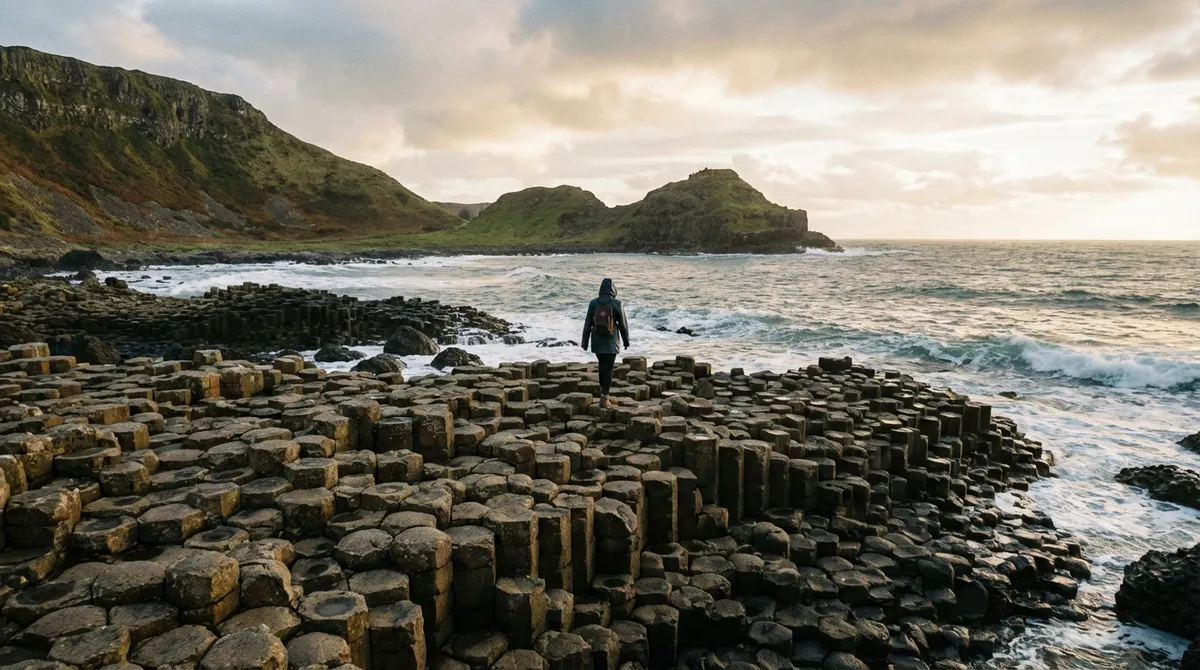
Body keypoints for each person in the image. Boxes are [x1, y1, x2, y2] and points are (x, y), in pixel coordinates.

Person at [581, 277, 629, 406]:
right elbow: (623, 325)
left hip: (596, 341)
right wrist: (626, 341)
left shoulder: (593, 303)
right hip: (611, 342)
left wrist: (584, 342)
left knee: (602, 367)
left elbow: (587, 323)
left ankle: (604, 394)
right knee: (608, 368)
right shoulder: (617, 304)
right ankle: (605, 397)